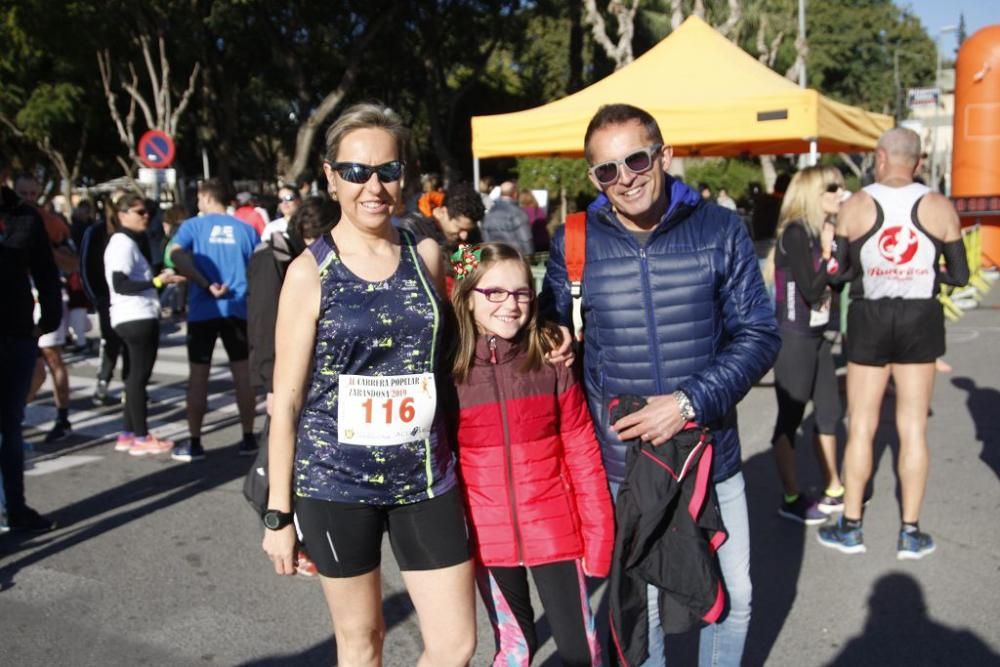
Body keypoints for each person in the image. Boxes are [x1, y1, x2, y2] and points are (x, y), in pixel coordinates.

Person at [541, 103, 780, 666]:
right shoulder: (573, 242)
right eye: (607, 170)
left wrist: (688, 401)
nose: (625, 178)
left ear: (663, 155)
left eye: (637, 159)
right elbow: (551, 342)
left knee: (733, 598)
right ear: (593, 177)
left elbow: (760, 334)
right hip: (623, 469)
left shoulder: (720, 229)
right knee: (640, 615)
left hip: (708, 455)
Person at [261, 103, 477, 666]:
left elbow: (462, 334)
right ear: (331, 177)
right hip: (336, 485)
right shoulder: (309, 272)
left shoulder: (425, 252)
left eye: (387, 170)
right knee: (363, 643)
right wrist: (278, 516)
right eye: (356, 171)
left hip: (425, 477)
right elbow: (283, 402)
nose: (373, 186)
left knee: (456, 645)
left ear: (404, 175)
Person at [450, 242, 613, 666]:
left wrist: (598, 535)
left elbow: (580, 446)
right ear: (468, 299)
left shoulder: (549, 355)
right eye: (494, 293)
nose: (511, 304)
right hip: (487, 537)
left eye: (521, 292)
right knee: (515, 648)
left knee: (582, 651)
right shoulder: (449, 367)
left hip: (555, 529)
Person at [818, 128, 969, 560]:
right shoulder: (939, 206)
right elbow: (959, 275)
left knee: (861, 425)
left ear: (880, 158)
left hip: (869, 316)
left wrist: (873, 271)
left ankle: (851, 527)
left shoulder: (857, 204)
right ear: (919, 162)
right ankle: (910, 531)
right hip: (920, 317)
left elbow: (838, 273)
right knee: (913, 427)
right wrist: (926, 273)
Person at [247, 196, 338, 578]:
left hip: (316, 380)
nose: (315, 244)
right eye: (309, 236)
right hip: (284, 378)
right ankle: (290, 533)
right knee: (282, 460)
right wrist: (269, 381)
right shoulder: (275, 261)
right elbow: (264, 325)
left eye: (322, 236)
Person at [768, 166, 847, 525]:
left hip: (817, 337)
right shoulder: (797, 233)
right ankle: (791, 495)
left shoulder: (819, 232)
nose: (841, 195)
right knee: (790, 418)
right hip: (794, 336)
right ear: (814, 194)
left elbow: (840, 282)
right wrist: (831, 255)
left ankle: (834, 487)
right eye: (833, 190)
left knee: (830, 412)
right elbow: (814, 288)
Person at [168, 178, 260, 462]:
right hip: (237, 308)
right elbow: (257, 267)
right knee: (242, 375)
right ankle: (247, 438)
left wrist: (203, 281)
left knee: (198, 377)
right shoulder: (246, 230)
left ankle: (195, 442)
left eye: (199, 198)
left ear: (207, 198)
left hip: (202, 310)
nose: (198, 203)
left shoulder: (192, 227)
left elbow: (175, 255)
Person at [0, 155, 62, 532]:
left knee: (9, 427)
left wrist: (48, 321)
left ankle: (15, 509)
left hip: (17, 334)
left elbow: (45, 271)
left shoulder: (24, 216)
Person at [103, 192, 183, 455]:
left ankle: (128, 433)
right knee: (139, 378)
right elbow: (120, 283)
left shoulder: (128, 241)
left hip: (133, 315)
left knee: (133, 378)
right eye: (139, 212)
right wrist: (158, 282)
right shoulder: (122, 243)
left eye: (147, 210)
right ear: (122, 215)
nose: (145, 215)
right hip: (135, 316)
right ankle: (140, 436)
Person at [16, 174, 76, 442]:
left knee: (49, 360)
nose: (28, 198)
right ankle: (14, 417)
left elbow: (73, 263)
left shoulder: (52, 224)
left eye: (32, 193)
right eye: (23, 193)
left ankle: (62, 417)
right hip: (13, 304)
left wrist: (44, 251)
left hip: (44, 299)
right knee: (29, 367)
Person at [80, 195, 127, 405]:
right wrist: (95, 298)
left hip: (129, 299)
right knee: (110, 341)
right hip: (105, 298)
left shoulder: (130, 232)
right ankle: (102, 383)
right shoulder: (95, 232)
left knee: (130, 343)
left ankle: (132, 387)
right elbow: (85, 266)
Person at [482, 181, 533, 256]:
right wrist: (530, 256)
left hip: (495, 256)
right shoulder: (518, 213)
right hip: (514, 257)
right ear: (515, 194)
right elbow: (526, 239)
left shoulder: (490, 213)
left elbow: (485, 238)